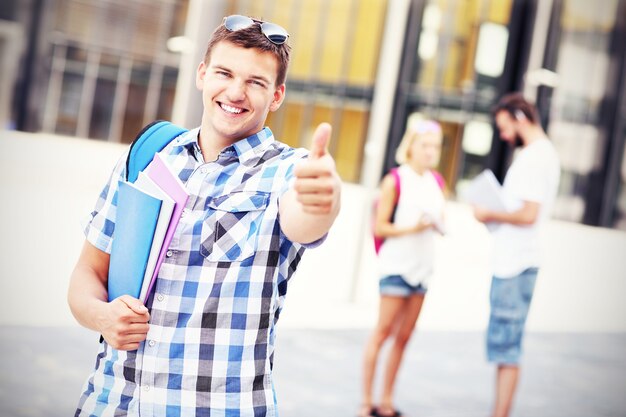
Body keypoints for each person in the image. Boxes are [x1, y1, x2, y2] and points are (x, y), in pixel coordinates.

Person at [67, 15, 341, 416]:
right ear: (202, 74)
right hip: (111, 403)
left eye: (256, 82)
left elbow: (305, 219)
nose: (235, 91)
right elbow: (87, 274)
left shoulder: (286, 171)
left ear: (277, 96)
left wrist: (322, 200)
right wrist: (104, 317)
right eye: (224, 73)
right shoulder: (147, 157)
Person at [473, 92, 560, 417]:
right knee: (503, 346)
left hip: (516, 264)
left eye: (505, 127)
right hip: (513, 261)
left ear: (519, 117)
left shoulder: (537, 157)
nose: (504, 135)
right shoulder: (536, 154)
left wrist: (490, 213)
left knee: (507, 348)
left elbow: (528, 215)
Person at [360, 119, 446, 417]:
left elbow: (442, 220)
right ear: (411, 146)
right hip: (396, 267)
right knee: (382, 333)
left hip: (423, 270)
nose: (430, 152)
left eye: (435, 146)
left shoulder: (437, 182)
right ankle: (365, 402)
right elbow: (381, 226)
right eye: (425, 145)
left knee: (404, 337)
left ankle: (386, 401)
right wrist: (413, 227)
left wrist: (436, 224)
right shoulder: (395, 179)